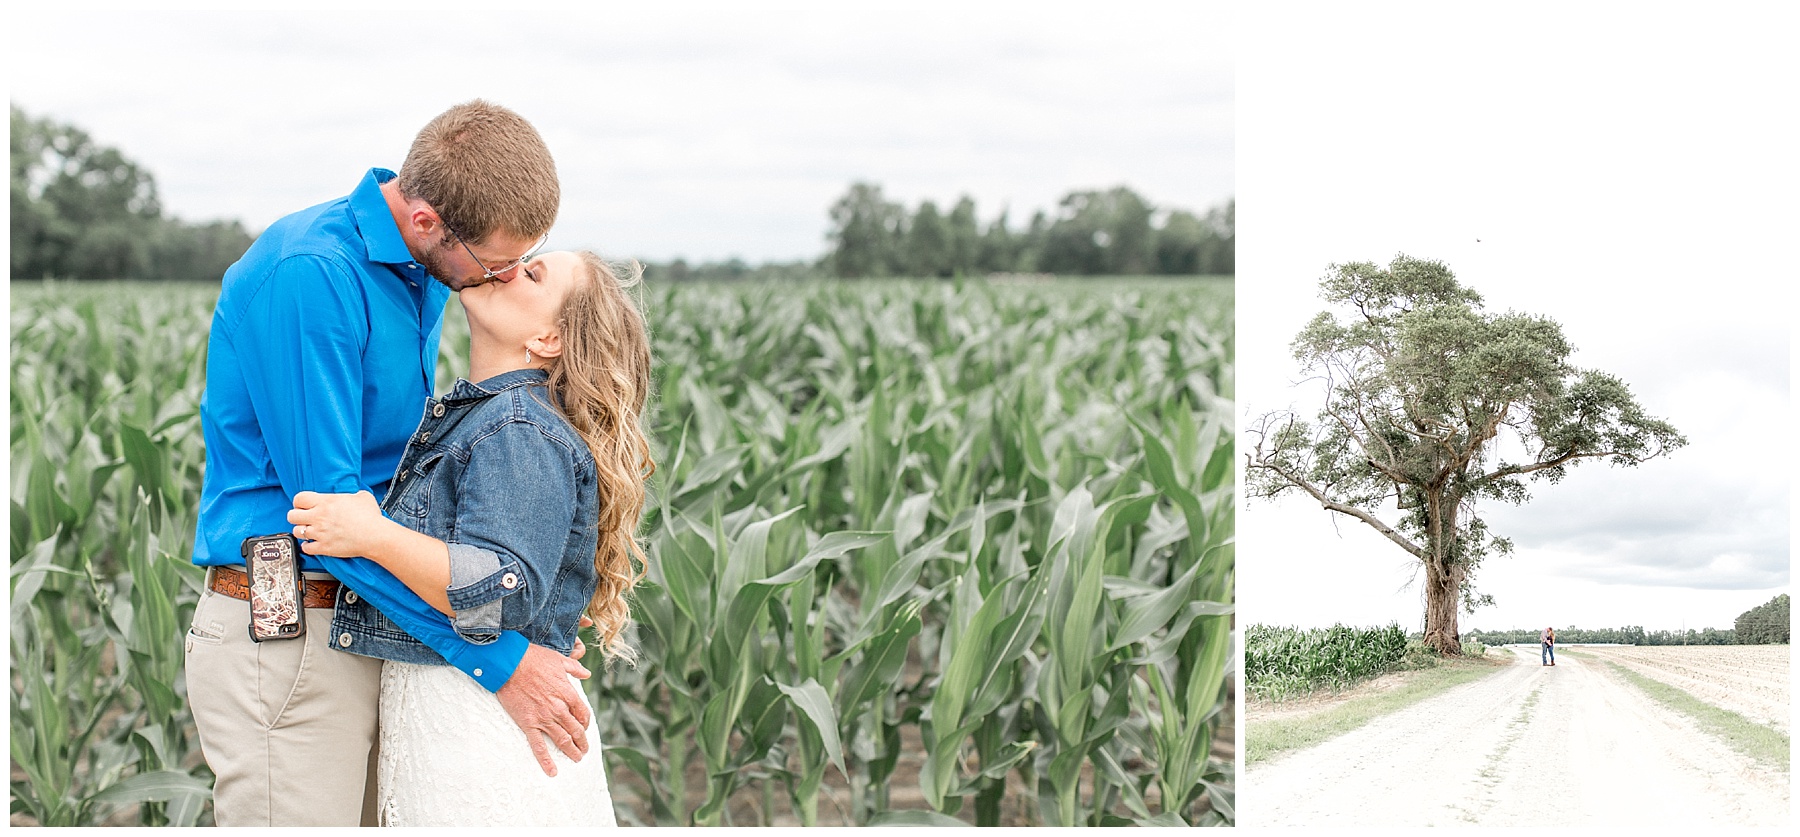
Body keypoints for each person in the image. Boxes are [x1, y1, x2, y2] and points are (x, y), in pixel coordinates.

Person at [183, 100, 593, 827]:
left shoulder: (426, 269)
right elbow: (335, 521)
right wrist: (496, 656)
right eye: (495, 264)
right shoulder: (311, 275)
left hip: (377, 622)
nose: (497, 280)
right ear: (429, 221)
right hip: (290, 631)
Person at [288, 250, 652, 825]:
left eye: (532, 274)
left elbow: (501, 591)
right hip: (453, 710)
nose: (507, 268)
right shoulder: (488, 418)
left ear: (550, 339)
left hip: (479, 725)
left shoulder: (518, 426)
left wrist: (371, 535)